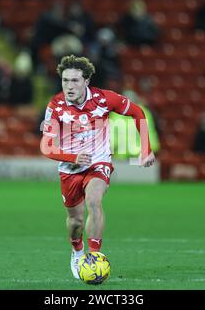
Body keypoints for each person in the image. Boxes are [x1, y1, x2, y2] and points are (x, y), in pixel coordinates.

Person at [40, 55, 156, 279]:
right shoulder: (56, 106)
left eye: (74, 80)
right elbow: (46, 147)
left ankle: (93, 258)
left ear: (86, 81)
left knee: (94, 200)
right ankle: (77, 251)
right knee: (75, 221)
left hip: (98, 162)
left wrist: (145, 149)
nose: (69, 86)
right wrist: (72, 156)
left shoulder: (104, 99)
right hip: (69, 169)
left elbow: (137, 112)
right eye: (65, 81)